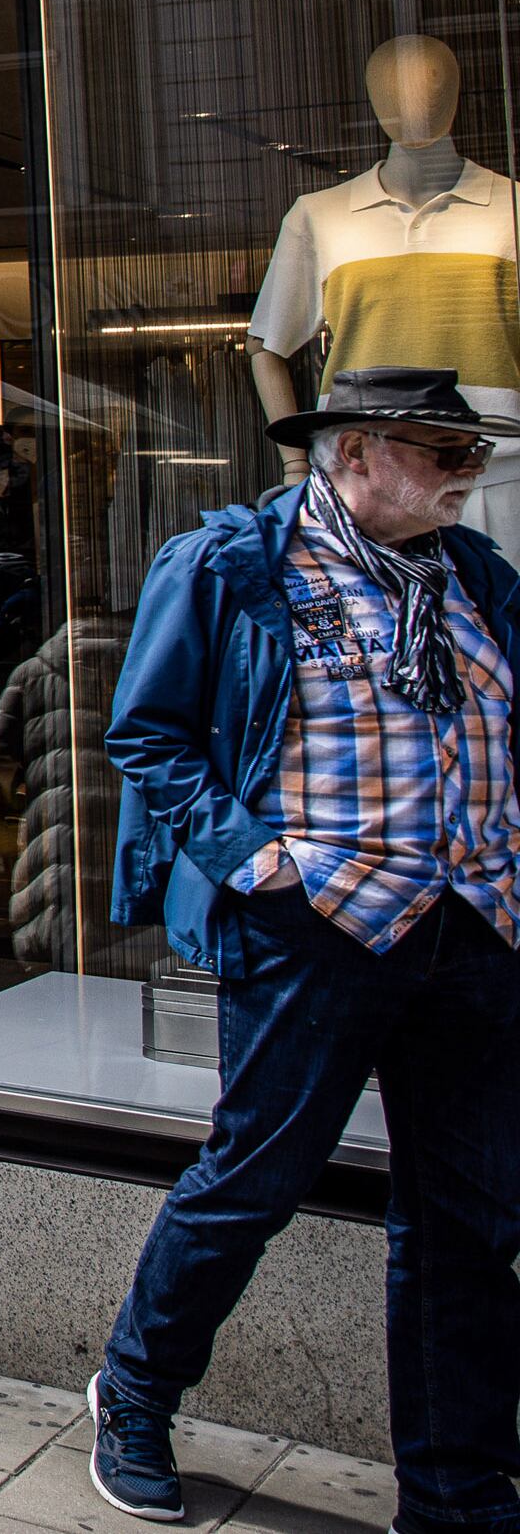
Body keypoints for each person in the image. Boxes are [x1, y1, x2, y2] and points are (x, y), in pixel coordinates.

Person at [87, 367, 520, 1527]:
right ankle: (132, 1390)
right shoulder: (236, 563)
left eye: (472, 450)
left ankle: (457, 1489)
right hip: (317, 926)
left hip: (473, 926)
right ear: (360, 450)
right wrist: (259, 862)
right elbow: (148, 732)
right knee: (252, 1183)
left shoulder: (474, 575)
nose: (468, 472)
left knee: (470, 1221)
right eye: (445, 451)